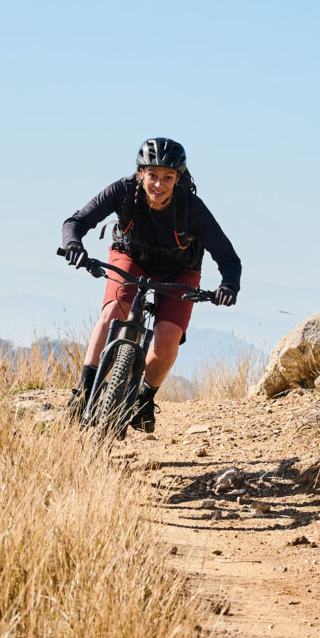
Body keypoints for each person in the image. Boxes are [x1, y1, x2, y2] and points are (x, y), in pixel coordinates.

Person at [60, 137, 242, 432]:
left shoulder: (191, 208)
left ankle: (145, 398)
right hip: (132, 258)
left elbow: (228, 257)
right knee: (112, 314)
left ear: (178, 178)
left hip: (180, 271)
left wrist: (229, 285)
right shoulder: (123, 190)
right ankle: (84, 391)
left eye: (167, 177)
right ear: (141, 172)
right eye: (153, 175)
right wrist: (73, 245)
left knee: (168, 334)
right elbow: (76, 222)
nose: (159, 184)